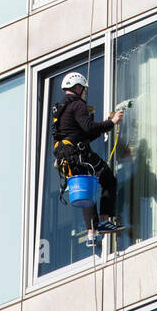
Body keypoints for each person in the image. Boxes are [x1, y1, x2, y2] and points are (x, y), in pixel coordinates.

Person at [54, 72, 125, 244]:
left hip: (66, 157)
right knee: (108, 180)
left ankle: (91, 234)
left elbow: (79, 134)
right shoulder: (78, 105)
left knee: (86, 190)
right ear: (77, 87)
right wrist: (112, 122)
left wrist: (103, 127)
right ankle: (105, 221)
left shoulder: (60, 108)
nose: (85, 93)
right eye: (84, 89)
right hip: (79, 154)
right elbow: (89, 128)